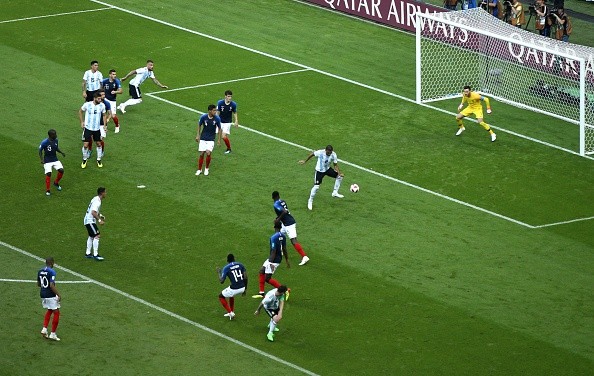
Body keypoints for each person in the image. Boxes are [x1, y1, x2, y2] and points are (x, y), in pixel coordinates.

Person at [298, 145, 345, 211]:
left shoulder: (333, 154)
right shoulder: (320, 152)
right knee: (316, 187)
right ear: (326, 150)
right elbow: (312, 154)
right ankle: (310, 200)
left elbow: (335, 165)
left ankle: (335, 192)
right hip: (319, 171)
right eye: (328, 152)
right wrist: (305, 161)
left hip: (327, 169)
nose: (329, 153)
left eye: (330, 152)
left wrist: (339, 173)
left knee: (339, 177)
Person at [254, 222, 291, 298]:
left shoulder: (273, 237)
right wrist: (287, 260)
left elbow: (273, 251)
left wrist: (270, 262)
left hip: (273, 260)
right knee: (261, 271)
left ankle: (285, 290)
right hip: (276, 258)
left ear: (274, 227)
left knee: (267, 278)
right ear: (280, 227)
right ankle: (261, 293)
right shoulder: (283, 236)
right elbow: (284, 248)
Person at [272, 191, 309, 266]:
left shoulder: (276, 204)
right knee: (279, 235)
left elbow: (284, 211)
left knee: (293, 240)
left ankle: (304, 257)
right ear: (279, 196)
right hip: (286, 223)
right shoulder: (282, 201)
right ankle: (280, 250)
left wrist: (278, 219)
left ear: (272, 197)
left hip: (289, 224)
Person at [79, 92, 106, 168]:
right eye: (99, 99)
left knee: (98, 144)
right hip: (88, 128)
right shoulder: (87, 104)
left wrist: (105, 125)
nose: (100, 100)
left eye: (101, 98)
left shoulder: (102, 106)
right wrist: (81, 122)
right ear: (94, 98)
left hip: (96, 129)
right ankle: (84, 159)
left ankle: (99, 159)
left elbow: (104, 115)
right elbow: (80, 111)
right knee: (85, 145)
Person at [217, 253, 248, 320]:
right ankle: (232, 311)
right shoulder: (240, 265)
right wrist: (245, 289)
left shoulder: (226, 268)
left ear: (227, 260)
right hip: (242, 287)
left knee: (221, 296)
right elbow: (245, 277)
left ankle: (231, 313)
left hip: (234, 288)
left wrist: (219, 272)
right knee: (231, 294)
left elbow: (221, 281)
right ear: (234, 259)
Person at [38, 257, 61, 341]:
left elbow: (38, 284)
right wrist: (58, 294)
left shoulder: (40, 271)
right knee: (56, 312)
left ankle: (44, 329)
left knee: (50, 309)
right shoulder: (52, 272)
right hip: (50, 294)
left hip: (42, 293)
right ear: (52, 263)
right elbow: (51, 285)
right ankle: (53, 334)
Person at [195, 104, 222, 176]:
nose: (215, 112)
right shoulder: (203, 117)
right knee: (201, 154)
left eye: (216, 110)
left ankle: (206, 168)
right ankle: (199, 169)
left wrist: (219, 140)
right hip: (203, 138)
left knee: (208, 153)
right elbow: (199, 125)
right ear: (209, 111)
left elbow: (220, 129)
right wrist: (198, 135)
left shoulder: (217, 119)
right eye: (214, 110)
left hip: (211, 138)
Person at [39, 129, 65, 196]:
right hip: (47, 160)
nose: (56, 135)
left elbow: (56, 148)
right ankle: (48, 190)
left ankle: (56, 182)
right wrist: (41, 159)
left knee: (61, 170)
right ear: (50, 135)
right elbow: (40, 151)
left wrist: (61, 152)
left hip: (54, 159)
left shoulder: (56, 140)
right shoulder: (44, 142)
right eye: (54, 134)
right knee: (49, 174)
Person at [83, 187, 107, 261]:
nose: (106, 194)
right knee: (97, 235)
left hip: (87, 220)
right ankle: (96, 255)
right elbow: (93, 212)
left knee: (91, 236)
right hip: (90, 221)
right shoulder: (97, 201)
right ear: (102, 193)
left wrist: (100, 215)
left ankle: (88, 253)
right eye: (105, 192)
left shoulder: (95, 198)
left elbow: (94, 210)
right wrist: (99, 220)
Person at [216, 90, 238, 154]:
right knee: (219, 132)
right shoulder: (220, 103)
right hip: (220, 121)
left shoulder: (233, 104)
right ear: (225, 96)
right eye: (228, 96)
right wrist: (216, 120)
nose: (230, 98)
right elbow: (218, 112)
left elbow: (235, 112)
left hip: (228, 122)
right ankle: (219, 141)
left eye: (230, 96)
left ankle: (229, 148)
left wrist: (236, 120)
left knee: (224, 136)